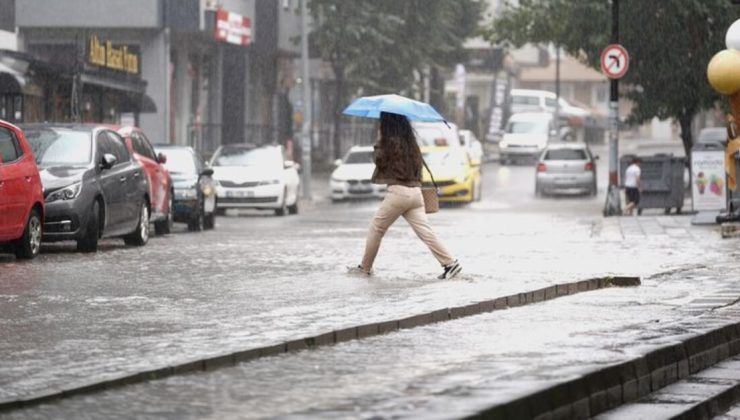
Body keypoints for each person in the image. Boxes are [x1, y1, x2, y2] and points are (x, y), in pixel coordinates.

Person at [347, 112, 462, 280]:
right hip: (416, 194)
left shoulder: (388, 143)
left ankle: (365, 267)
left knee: (377, 228)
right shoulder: (411, 143)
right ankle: (450, 263)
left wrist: (380, 141)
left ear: (387, 124)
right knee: (426, 232)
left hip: (398, 193)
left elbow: (379, 161)